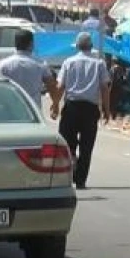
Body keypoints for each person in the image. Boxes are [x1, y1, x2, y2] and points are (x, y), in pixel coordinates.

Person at [54, 33, 111, 190]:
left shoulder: (68, 62)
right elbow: (104, 88)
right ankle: (81, 180)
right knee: (87, 146)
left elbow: (60, 86)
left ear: (77, 46)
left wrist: (55, 104)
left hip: (71, 107)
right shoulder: (99, 63)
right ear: (91, 46)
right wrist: (107, 109)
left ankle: (69, 171)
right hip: (90, 109)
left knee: (66, 144)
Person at [0, 29, 56, 118]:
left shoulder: (4, 64)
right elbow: (52, 86)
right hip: (33, 111)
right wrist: (55, 105)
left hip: (9, 110)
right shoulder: (40, 64)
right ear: (31, 44)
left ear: (15, 44)